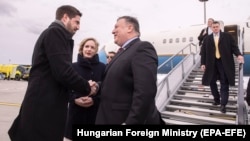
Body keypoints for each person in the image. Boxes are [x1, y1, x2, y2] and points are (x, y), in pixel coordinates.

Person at [8, 5, 98, 141]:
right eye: (77, 22)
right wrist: (87, 87)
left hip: (44, 105)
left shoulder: (56, 34)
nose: (79, 27)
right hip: (43, 107)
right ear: (65, 17)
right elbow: (63, 72)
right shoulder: (55, 32)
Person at [95, 16, 164, 125]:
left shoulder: (142, 48)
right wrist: (97, 86)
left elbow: (145, 92)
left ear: (129, 28)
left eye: (116, 27)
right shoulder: (122, 51)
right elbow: (116, 83)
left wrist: (131, 122)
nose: (112, 31)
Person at [64, 37, 105, 141]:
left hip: (94, 115)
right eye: (87, 46)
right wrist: (74, 99)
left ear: (96, 50)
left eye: (92, 47)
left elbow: (106, 89)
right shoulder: (72, 67)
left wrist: (94, 100)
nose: (89, 49)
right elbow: (65, 88)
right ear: (82, 48)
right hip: (75, 115)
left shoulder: (103, 68)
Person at [200, 21, 244, 113]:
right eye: (214, 27)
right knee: (211, 82)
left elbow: (234, 47)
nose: (215, 28)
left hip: (224, 63)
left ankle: (223, 104)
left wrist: (238, 55)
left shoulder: (227, 36)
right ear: (211, 28)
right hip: (211, 64)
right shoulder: (207, 39)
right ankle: (217, 99)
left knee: (224, 83)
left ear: (219, 27)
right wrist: (203, 63)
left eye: (217, 26)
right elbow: (203, 52)